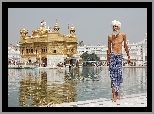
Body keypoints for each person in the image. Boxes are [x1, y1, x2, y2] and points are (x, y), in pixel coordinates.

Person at [107, 20, 131, 102]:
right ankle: (114, 95)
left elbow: (125, 46)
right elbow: (109, 49)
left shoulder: (123, 35)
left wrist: (129, 57)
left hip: (119, 56)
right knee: (113, 76)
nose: (114, 28)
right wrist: (108, 59)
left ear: (119, 27)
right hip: (113, 56)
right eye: (113, 26)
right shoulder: (110, 37)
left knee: (119, 76)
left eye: (116, 26)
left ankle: (117, 93)